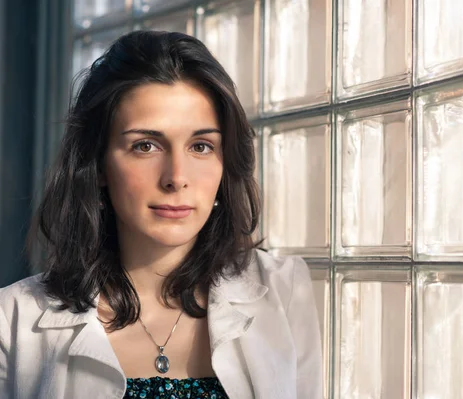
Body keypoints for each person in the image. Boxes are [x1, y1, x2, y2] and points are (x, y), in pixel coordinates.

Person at [0, 31, 322, 399]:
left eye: (201, 146)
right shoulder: (12, 319)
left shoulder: (284, 291)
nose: (176, 178)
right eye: (146, 146)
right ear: (99, 165)